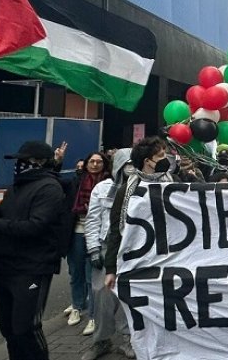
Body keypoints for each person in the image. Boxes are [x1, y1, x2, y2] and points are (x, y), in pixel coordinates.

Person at [0, 141, 65, 359]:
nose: (19, 165)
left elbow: (34, 227)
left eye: (24, 160)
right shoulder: (16, 187)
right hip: (5, 265)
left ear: (39, 162)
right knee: (9, 329)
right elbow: (8, 219)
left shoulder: (50, 188)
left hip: (32, 267)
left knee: (26, 328)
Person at [82, 149, 135, 360]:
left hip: (133, 250)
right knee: (101, 295)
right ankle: (101, 341)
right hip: (106, 248)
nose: (130, 168)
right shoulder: (102, 188)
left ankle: (128, 339)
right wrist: (93, 249)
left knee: (128, 297)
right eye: (126, 164)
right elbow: (93, 219)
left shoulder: (142, 189)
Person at [104, 136, 173, 289]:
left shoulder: (174, 183)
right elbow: (116, 230)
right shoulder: (127, 191)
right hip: (140, 259)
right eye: (161, 156)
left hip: (170, 256)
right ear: (147, 161)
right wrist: (111, 269)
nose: (166, 159)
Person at [63, 152, 110, 335]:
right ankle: (77, 305)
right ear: (86, 164)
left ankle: (93, 315)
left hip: (97, 234)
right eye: (92, 161)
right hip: (77, 230)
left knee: (93, 276)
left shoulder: (109, 184)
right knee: (76, 271)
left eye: (99, 162)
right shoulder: (77, 182)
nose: (95, 165)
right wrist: (57, 162)